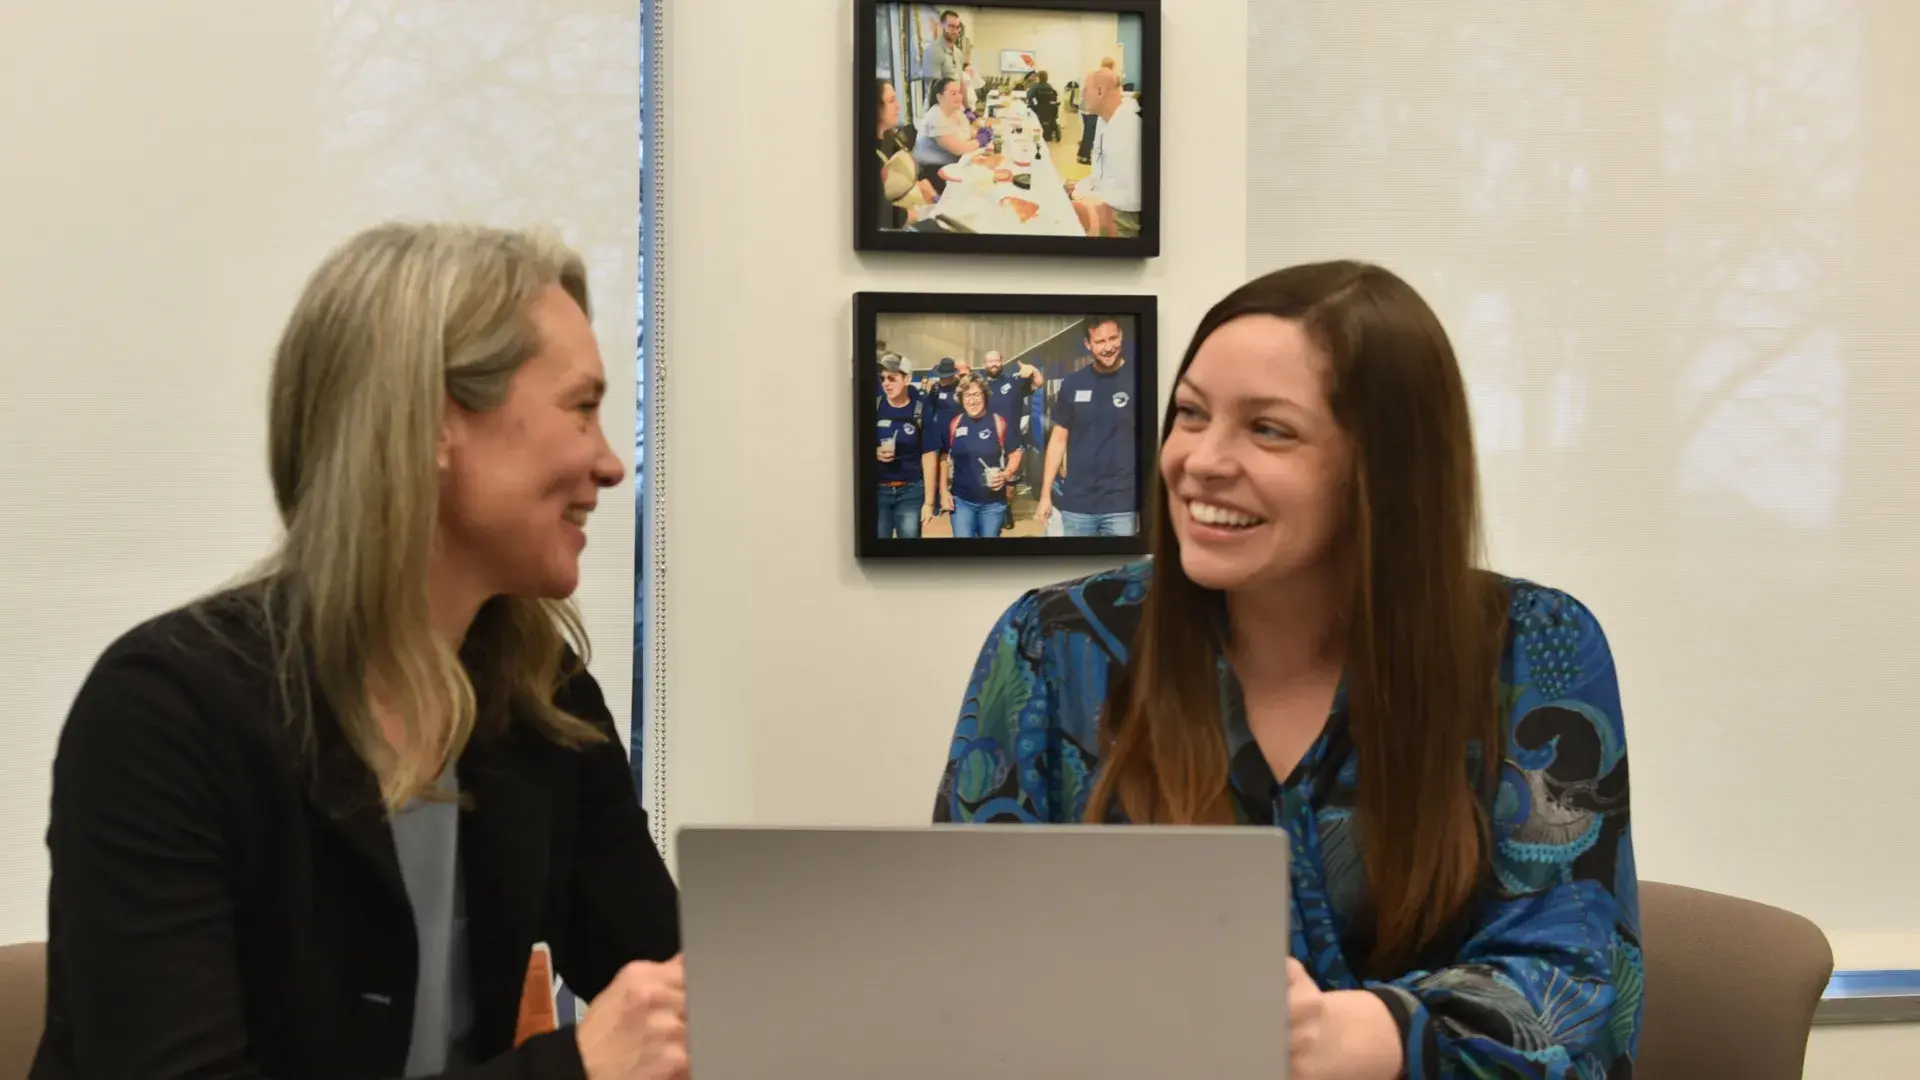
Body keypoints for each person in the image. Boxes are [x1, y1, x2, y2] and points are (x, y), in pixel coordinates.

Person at [933, 262, 1641, 1079]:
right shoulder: (1053, 645)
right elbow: (970, 961)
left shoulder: (1530, 647)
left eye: (1268, 430)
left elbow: (1577, 986)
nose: (1200, 462)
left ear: (1384, 469)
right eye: (1190, 415)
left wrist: (1358, 1036)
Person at [35, 223, 689, 1080]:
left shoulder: (543, 702)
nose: (609, 464)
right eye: (581, 406)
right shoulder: (163, 717)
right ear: (432, 423)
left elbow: (694, 994)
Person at [1035, 316, 1138, 537]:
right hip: (1078, 504)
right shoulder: (1073, 384)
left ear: (1121, 335)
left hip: (1122, 504)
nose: (1108, 347)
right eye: (1100, 342)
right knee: (1077, 571)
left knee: (1120, 571)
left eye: (1113, 338)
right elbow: (1058, 439)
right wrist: (1045, 495)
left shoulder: (1139, 379)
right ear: (1087, 344)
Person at [938, 373, 1022, 538]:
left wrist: (1006, 475)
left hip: (993, 503)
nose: (972, 400)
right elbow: (943, 457)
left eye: (977, 394)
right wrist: (943, 491)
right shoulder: (954, 424)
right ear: (961, 399)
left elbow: (1015, 453)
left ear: (985, 396)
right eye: (967, 395)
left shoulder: (999, 422)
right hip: (961, 500)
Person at [1068, 67, 1143, 239]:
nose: (1081, 97)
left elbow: (1128, 197)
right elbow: (1101, 175)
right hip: (1106, 202)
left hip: (1122, 218)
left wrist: (1085, 200)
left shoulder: (1131, 127)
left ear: (1100, 91)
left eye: (1085, 90)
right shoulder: (1104, 120)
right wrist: (1081, 186)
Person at [875, 351, 938, 538]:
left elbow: (929, 457)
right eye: (883, 378)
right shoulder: (874, 407)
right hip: (878, 491)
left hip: (911, 491)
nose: (886, 383)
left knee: (909, 550)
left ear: (907, 379)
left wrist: (929, 503)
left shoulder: (921, 410)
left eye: (892, 378)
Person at [875, 79, 937, 229]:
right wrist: (917, 215)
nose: (898, 107)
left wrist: (927, 188)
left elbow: (910, 168)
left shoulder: (889, 137)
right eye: (891, 101)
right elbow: (882, 214)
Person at [912, 78, 979, 187]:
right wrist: (979, 141)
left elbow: (967, 131)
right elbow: (958, 149)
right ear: (939, 97)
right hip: (933, 170)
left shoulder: (956, 110)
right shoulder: (935, 117)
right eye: (953, 93)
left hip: (953, 163)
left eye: (959, 92)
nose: (959, 96)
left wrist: (978, 133)